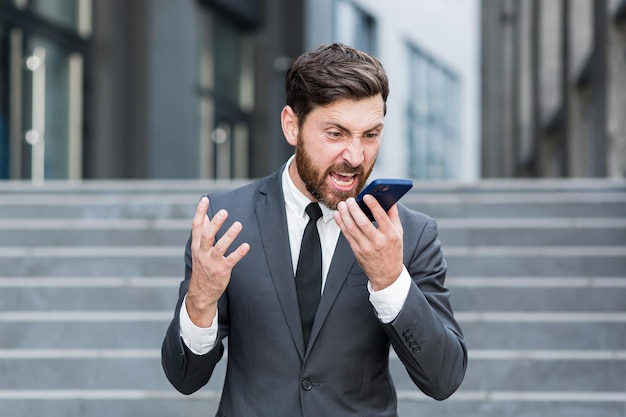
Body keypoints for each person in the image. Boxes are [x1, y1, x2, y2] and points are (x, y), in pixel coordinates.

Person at [161, 43, 467, 417]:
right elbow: (184, 377)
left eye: (370, 135)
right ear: (292, 125)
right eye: (336, 134)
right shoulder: (225, 220)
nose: (355, 157)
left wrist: (390, 280)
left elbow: (444, 379)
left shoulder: (410, 234)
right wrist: (200, 302)